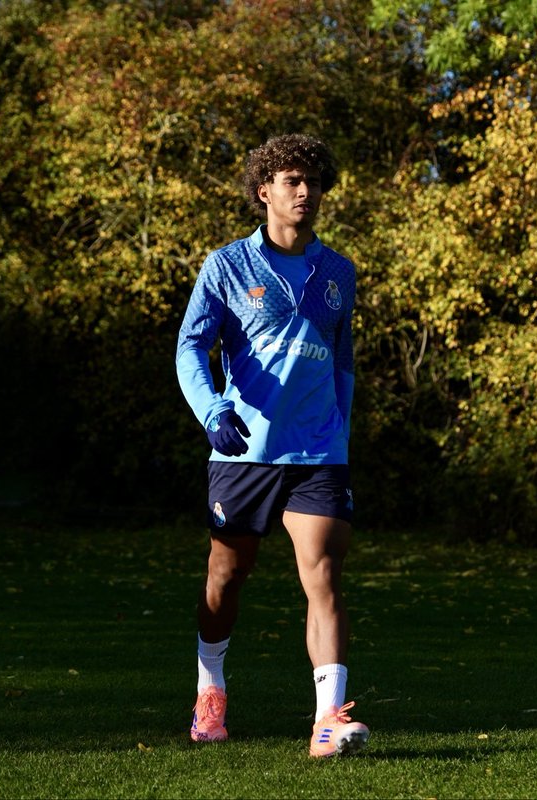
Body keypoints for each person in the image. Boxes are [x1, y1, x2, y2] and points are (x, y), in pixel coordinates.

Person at [175, 133, 369, 758]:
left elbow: (342, 362)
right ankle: (211, 688)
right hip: (243, 453)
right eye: (291, 180)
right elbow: (189, 348)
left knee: (325, 578)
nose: (304, 192)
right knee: (227, 578)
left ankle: (326, 722)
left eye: (312, 181)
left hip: (317, 455)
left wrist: (340, 434)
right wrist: (212, 410)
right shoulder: (227, 265)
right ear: (265, 191)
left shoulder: (338, 272)